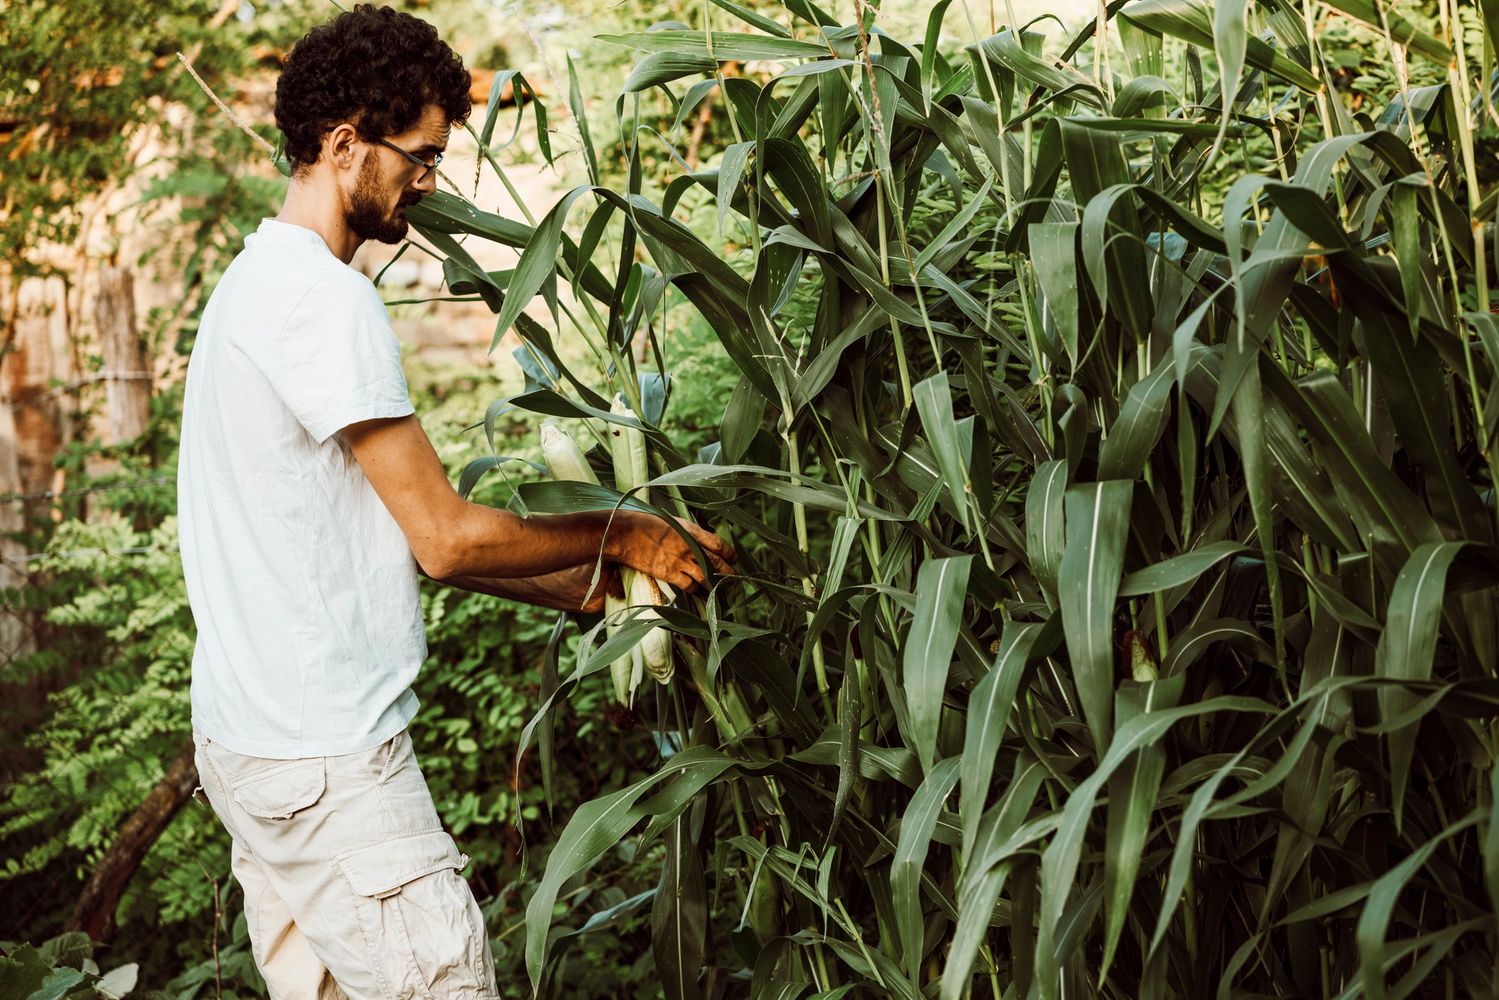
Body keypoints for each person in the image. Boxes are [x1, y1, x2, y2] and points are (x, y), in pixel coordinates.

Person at [176, 5, 735, 997]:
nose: (430, 184)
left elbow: (371, 531)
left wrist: (591, 582)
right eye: (419, 157)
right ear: (346, 145)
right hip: (331, 768)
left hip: (251, 747)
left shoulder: (249, 286)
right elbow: (444, 538)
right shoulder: (324, 300)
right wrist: (628, 528)